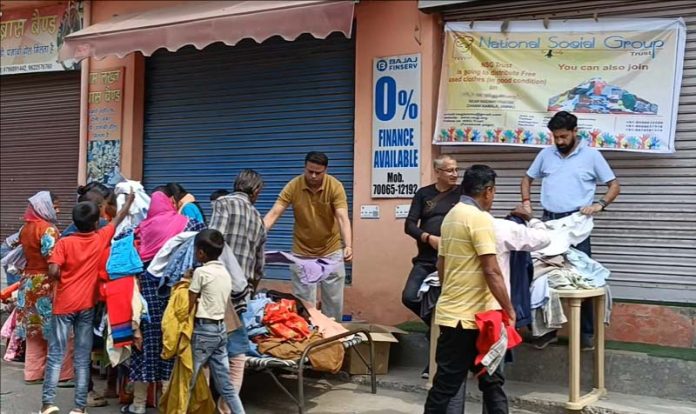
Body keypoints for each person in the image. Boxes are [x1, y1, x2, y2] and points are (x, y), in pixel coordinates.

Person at [520, 111, 620, 350]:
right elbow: (527, 179)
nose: (560, 141)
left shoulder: (592, 156)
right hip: (549, 223)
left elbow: (614, 185)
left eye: (564, 136)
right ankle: (547, 331)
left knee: (582, 278)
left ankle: (585, 334)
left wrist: (600, 204)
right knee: (544, 276)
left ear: (576, 132)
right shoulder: (546, 154)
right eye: (556, 137)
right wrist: (526, 202)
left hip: (577, 224)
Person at [425, 165, 515, 414]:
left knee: (454, 383)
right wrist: (509, 309)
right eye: (493, 192)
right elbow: (492, 270)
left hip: (459, 315)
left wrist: (453, 293)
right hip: (473, 321)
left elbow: (441, 265)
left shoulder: (451, 216)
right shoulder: (480, 219)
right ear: (488, 191)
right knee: (484, 383)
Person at [40, 192, 134, 414]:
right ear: (95, 222)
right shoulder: (100, 238)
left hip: (63, 305)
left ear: (74, 222)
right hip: (86, 306)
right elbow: (118, 219)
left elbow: (53, 270)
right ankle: (79, 407)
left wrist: (60, 277)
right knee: (82, 358)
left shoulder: (64, 243)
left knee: (56, 354)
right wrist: (128, 202)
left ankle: (47, 403)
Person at [123, 191, 206, 414]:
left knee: (145, 349)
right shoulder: (186, 223)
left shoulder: (141, 228)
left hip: (146, 292)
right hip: (174, 294)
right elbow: (204, 231)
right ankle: (168, 404)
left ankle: (139, 405)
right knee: (171, 347)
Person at [263, 152, 352, 321]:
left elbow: (342, 217)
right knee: (305, 305)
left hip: (331, 250)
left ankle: (332, 341)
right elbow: (274, 213)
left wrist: (348, 245)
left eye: (318, 173)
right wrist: (256, 236)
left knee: (333, 303)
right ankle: (308, 340)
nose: (313, 176)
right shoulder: (293, 186)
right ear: (304, 167)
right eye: (309, 171)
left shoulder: (335, 186)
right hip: (302, 251)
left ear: (325, 170)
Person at [209, 170, 266, 413]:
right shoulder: (258, 218)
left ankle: (201, 404)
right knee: (237, 353)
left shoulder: (223, 203)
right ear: (254, 192)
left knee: (205, 350)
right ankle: (226, 408)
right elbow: (259, 265)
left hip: (214, 290)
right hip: (239, 297)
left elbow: (213, 240)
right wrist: (249, 290)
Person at [403, 155, 460, 378]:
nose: (454, 174)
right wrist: (427, 237)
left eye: (456, 170)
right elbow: (409, 225)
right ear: (438, 172)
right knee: (409, 296)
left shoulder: (463, 193)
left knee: (447, 308)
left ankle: (435, 364)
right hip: (426, 260)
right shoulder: (423, 194)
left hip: (454, 262)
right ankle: (432, 326)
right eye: (449, 171)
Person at [15, 191, 75, 385]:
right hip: (46, 283)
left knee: (34, 331)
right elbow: (53, 260)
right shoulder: (48, 229)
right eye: (55, 205)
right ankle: (62, 374)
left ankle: (32, 373)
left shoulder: (25, 228)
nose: (58, 209)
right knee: (59, 330)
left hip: (28, 282)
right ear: (44, 207)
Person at [187, 229, 246, 414]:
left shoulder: (201, 273)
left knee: (189, 379)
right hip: (221, 331)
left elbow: (188, 303)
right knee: (226, 385)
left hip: (204, 331)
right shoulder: (225, 273)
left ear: (201, 253)